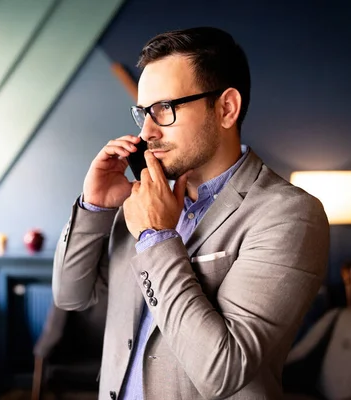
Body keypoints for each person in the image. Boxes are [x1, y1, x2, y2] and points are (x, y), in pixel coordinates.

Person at [52, 27, 330, 399]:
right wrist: (94, 206)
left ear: (226, 108)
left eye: (164, 109)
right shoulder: (140, 198)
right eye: (143, 112)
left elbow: (222, 372)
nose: (148, 131)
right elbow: (70, 295)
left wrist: (156, 238)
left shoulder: (290, 215)